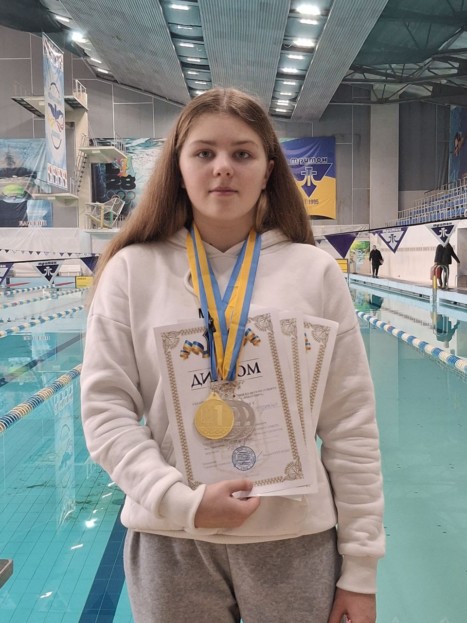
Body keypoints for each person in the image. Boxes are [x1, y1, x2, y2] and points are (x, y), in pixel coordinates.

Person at [80, 88, 384, 623]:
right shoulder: (131, 271)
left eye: (242, 153)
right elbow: (106, 413)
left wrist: (360, 571)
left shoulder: (314, 272)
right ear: (178, 167)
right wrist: (181, 501)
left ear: (269, 170)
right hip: (172, 539)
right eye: (204, 152)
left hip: (295, 539)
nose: (223, 167)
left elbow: (350, 426)